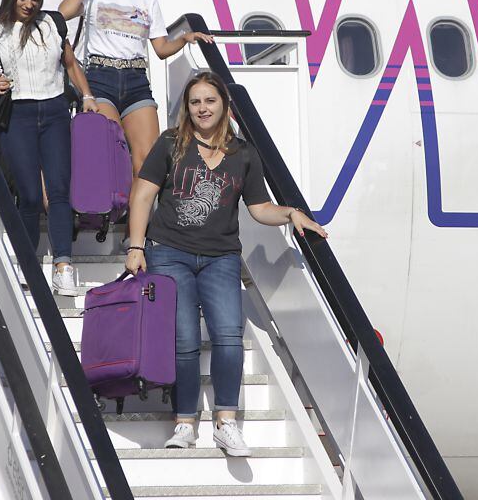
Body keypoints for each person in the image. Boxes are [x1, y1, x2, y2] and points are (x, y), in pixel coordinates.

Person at [124, 72, 327, 456]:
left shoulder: (244, 154)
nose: (202, 108)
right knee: (184, 340)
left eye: (210, 101)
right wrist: (136, 246)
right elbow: (143, 195)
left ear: (223, 106)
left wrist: (291, 214)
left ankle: (225, 421)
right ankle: (184, 421)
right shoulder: (171, 143)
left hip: (221, 257)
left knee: (228, 336)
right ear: (188, 107)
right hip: (169, 251)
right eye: (195, 102)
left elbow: (259, 207)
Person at [0, 0, 99, 295]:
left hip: (54, 111)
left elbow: (70, 64)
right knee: (26, 195)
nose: (29, 5)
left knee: (58, 190)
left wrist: (87, 95)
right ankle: (26, 262)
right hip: (17, 114)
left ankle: (63, 265)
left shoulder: (52, 23)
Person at [59, 0, 213, 179]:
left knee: (147, 161)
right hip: (100, 78)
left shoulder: (147, 0)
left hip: (136, 80)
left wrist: (184, 39)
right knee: (110, 152)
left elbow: (161, 49)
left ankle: (137, 217)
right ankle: (105, 213)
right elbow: (62, 12)